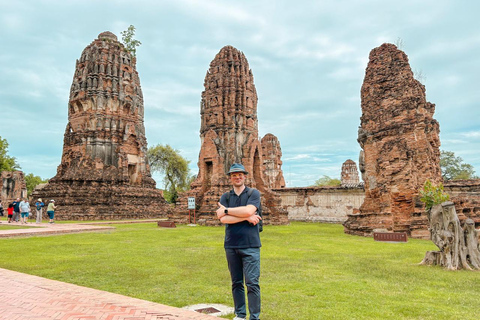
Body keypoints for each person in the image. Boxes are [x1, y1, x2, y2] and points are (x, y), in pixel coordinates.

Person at [216, 163, 262, 320]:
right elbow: (222, 219)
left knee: (252, 284)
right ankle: (240, 314)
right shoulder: (226, 197)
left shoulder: (253, 194)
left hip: (250, 245)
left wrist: (229, 211)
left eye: (240, 174)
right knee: (236, 283)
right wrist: (246, 216)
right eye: (234, 175)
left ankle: (254, 317)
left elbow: (248, 210)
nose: (237, 177)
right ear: (230, 178)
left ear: (245, 176)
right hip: (231, 244)